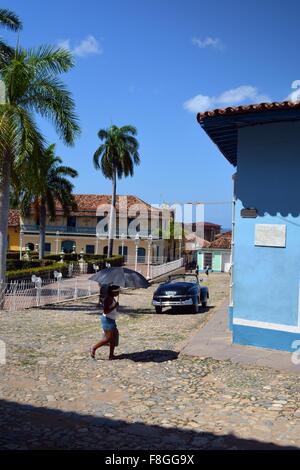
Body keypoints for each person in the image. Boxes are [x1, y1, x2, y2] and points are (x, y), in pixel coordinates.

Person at [90, 285, 119, 360]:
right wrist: (115, 306)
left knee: (113, 337)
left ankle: (111, 355)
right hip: (107, 320)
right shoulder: (108, 299)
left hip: (111, 320)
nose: (118, 293)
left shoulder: (111, 298)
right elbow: (106, 311)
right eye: (117, 291)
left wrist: (115, 306)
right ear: (113, 292)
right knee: (108, 338)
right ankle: (93, 348)